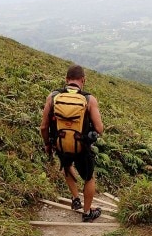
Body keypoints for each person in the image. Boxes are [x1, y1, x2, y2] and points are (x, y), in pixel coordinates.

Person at [40, 65, 104, 222]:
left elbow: (43, 126)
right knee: (89, 178)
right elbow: (99, 128)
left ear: (66, 79)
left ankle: (75, 198)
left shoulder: (53, 97)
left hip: (60, 144)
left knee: (67, 166)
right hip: (81, 147)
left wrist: (48, 144)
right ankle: (87, 212)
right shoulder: (89, 99)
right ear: (83, 80)